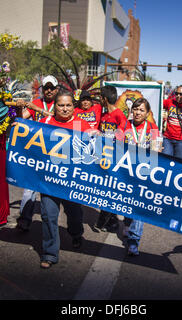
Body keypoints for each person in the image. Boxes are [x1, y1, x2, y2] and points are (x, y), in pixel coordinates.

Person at [38, 90, 92, 269]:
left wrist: (97, 136)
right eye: (61, 105)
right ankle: (49, 253)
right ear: (55, 106)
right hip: (49, 181)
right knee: (48, 215)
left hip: (72, 182)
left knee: (75, 215)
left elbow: (95, 146)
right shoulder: (45, 122)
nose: (65, 109)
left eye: (68, 105)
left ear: (74, 107)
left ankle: (76, 234)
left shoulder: (81, 125)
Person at [116, 98, 161, 256]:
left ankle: (134, 241)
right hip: (126, 172)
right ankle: (127, 224)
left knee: (139, 207)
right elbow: (116, 146)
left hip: (143, 174)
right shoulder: (124, 125)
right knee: (128, 203)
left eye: (142, 110)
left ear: (147, 113)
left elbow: (157, 153)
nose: (138, 112)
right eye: (135, 109)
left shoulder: (153, 128)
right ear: (131, 110)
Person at [15, 75, 59, 231]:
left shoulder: (61, 104)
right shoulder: (36, 102)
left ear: (56, 89)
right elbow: (21, 121)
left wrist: (36, 109)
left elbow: (57, 117)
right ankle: (24, 220)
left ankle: (72, 230)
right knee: (29, 188)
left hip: (56, 155)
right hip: (37, 153)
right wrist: (19, 109)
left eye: (51, 88)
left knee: (57, 193)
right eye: (45, 87)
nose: (48, 90)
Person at [95, 85, 127, 232]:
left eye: (100, 97)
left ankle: (110, 221)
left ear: (105, 99)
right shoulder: (104, 115)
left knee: (111, 190)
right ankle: (108, 219)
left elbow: (124, 135)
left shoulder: (119, 114)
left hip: (114, 158)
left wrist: (112, 139)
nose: (99, 100)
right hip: (102, 158)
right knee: (104, 189)